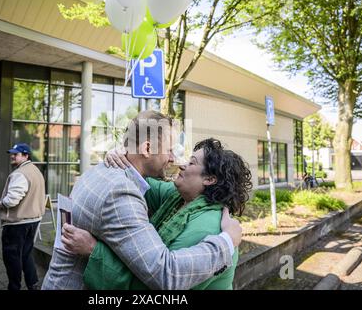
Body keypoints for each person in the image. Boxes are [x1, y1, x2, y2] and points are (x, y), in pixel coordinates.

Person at [42, 111, 242, 290]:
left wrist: (95, 250)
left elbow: (161, 277)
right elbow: (164, 274)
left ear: (209, 179)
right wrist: (227, 242)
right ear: (147, 148)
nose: (174, 160)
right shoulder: (122, 192)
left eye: (190, 162)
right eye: (169, 150)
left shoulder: (100, 171)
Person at [0, 143, 46, 290]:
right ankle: (32, 284)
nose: (13, 156)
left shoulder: (19, 174)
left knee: (12, 258)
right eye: (12, 153)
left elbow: (11, 200)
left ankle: (14, 287)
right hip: (34, 220)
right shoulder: (36, 171)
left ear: (26, 155)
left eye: (17, 154)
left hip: (17, 223)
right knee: (26, 254)